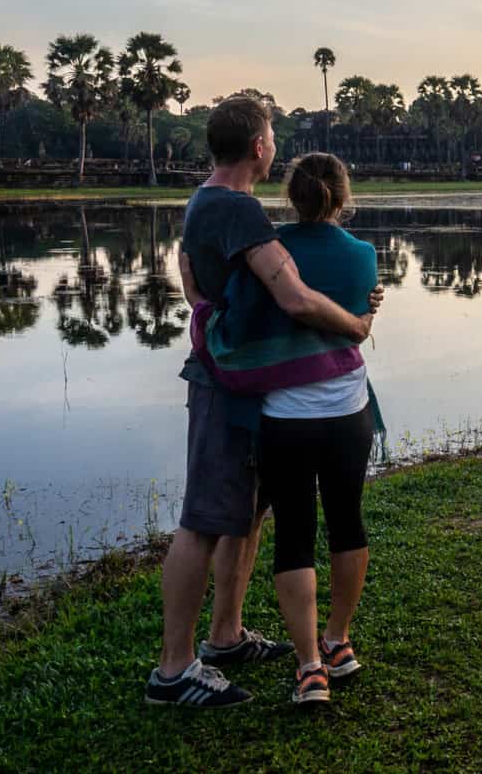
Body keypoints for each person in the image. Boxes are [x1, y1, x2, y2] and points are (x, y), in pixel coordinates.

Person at [144, 96, 380, 709]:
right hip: (228, 385)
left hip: (242, 379)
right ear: (258, 147)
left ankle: (225, 635)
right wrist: (356, 326)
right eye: (272, 134)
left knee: (248, 512)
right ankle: (174, 670)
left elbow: (193, 279)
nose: (275, 144)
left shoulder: (206, 200)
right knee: (203, 518)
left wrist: (207, 310)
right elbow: (296, 297)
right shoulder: (241, 211)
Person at [251, 153, 380, 706]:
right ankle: (339, 641)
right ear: (343, 197)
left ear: (292, 197)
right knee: (348, 522)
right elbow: (360, 322)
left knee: (295, 535)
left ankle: (309, 667)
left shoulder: (270, 252)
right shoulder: (364, 256)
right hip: (349, 409)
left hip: (286, 412)